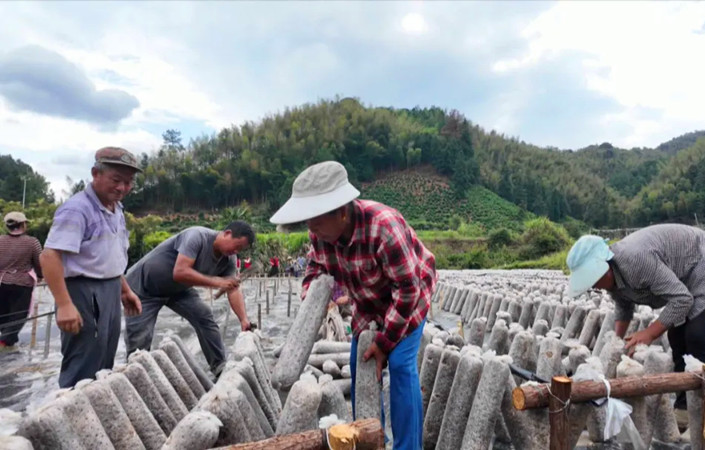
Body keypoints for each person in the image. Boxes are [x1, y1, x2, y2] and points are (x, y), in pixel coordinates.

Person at [270, 160, 437, 450]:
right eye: (308, 221)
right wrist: (313, 297)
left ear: (343, 213)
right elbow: (314, 269)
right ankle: (371, 440)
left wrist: (385, 343)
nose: (311, 228)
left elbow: (407, 289)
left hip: (409, 296)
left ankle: (408, 446)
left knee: (400, 364)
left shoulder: (384, 227)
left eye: (317, 220)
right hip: (367, 301)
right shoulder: (321, 234)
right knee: (361, 366)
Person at [565, 224, 705, 406]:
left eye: (594, 280)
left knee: (698, 334)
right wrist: (617, 342)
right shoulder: (612, 277)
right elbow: (623, 307)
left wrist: (649, 334)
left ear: (605, 266)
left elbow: (681, 299)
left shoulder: (636, 260)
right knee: (677, 336)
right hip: (687, 276)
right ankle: (685, 405)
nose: (595, 286)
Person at [40, 147, 143, 388]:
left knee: (105, 356)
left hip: (109, 289)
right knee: (83, 361)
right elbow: (49, 256)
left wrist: (125, 290)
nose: (122, 188)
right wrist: (65, 305)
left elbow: (108, 256)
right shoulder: (77, 209)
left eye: (128, 182)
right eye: (116, 180)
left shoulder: (116, 209)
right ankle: (69, 415)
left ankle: (97, 414)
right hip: (82, 292)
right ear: (95, 173)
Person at [124, 221, 255, 377]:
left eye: (240, 250)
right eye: (237, 246)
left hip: (178, 290)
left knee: (204, 316)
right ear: (227, 233)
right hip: (143, 288)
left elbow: (233, 289)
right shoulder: (196, 236)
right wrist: (217, 282)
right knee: (140, 339)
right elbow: (180, 272)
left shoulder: (229, 259)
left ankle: (219, 366)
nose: (236, 251)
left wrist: (243, 320)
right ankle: (136, 376)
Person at [0, 212, 43, 348]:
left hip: (2, 282)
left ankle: (9, 342)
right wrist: (41, 275)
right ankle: (5, 342)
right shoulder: (32, 242)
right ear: (23, 225)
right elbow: (39, 262)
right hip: (22, 284)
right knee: (18, 315)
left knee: (3, 314)